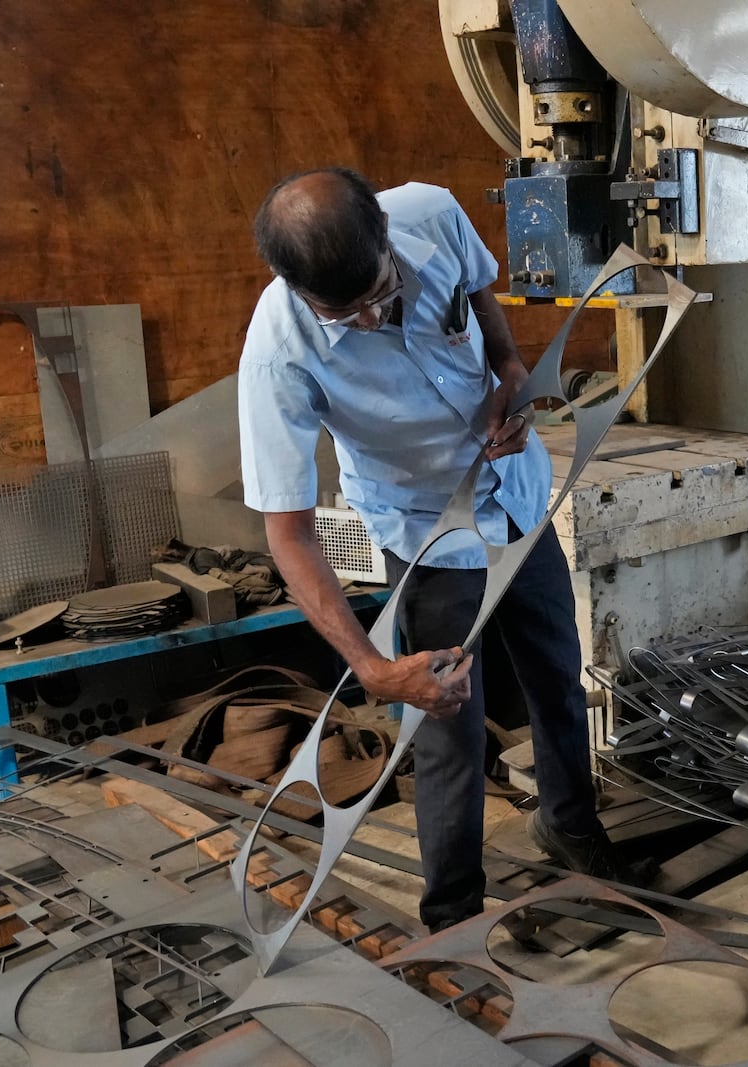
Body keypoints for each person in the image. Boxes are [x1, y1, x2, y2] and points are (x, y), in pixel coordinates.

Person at [237, 167, 640, 932]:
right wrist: (375, 669)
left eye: (381, 295)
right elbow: (288, 534)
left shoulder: (432, 212)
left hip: (513, 493)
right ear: (294, 288)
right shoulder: (276, 357)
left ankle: (572, 828)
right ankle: (453, 916)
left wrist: (511, 369)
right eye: (343, 315)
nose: (370, 320)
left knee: (558, 677)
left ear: (387, 236)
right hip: (427, 534)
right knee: (449, 723)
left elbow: (481, 294)